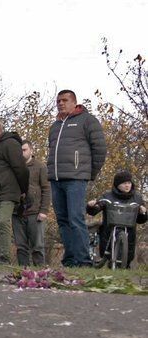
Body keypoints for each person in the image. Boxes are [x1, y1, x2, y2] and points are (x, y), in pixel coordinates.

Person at [48, 89, 107, 267]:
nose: (60, 103)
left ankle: (83, 260)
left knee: (76, 219)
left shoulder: (87, 120)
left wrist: (89, 173)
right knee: (63, 221)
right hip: (56, 179)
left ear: (74, 102)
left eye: (65, 100)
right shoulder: (55, 126)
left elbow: (100, 149)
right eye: (58, 101)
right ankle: (70, 259)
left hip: (76, 178)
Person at [0, 117, 29, 264]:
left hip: (8, 191)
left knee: (4, 222)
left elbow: (20, 168)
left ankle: (5, 258)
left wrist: (24, 190)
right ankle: (2, 256)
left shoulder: (10, 143)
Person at [86, 171, 147, 268]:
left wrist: (143, 213)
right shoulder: (107, 196)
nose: (127, 185)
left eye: (129, 183)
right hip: (109, 231)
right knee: (108, 253)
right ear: (117, 185)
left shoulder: (137, 198)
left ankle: (124, 265)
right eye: (124, 183)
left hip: (129, 234)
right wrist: (91, 206)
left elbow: (141, 220)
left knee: (126, 261)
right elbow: (95, 210)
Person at [13, 141, 50, 266]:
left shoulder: (40, 166)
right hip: (17, 212)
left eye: (24, 150)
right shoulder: (14, 167)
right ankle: (23, 272)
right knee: (20, 246)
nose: (22, 153)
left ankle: (40, 271)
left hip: (35, 212)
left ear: (31, 150)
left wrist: (44, 211)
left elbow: (46, 189)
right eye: (20, 151)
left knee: (37, 246)